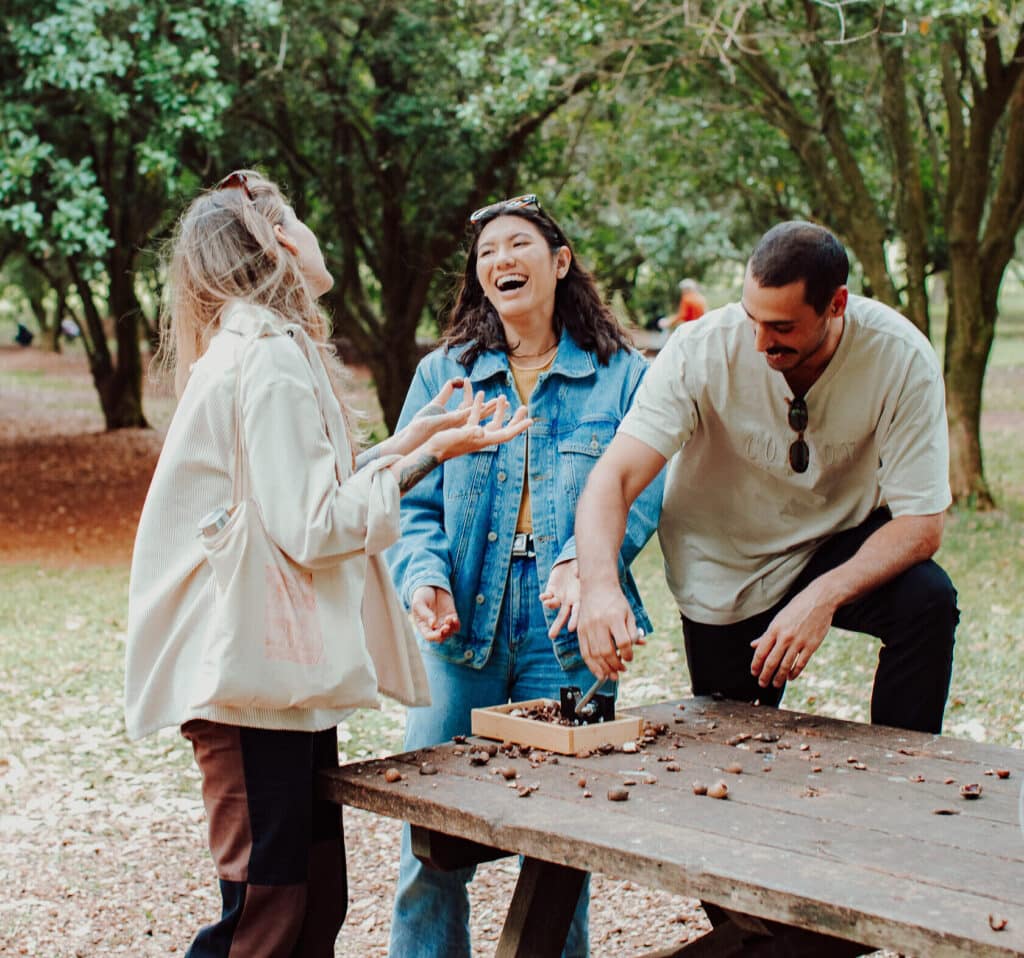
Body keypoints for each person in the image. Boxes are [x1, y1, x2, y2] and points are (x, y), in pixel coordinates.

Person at [124, 170, 531, 958]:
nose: (312, 236)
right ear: (279, 240)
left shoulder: (269, 349)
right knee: (266, 916)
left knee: (311, 906)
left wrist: (415, 445)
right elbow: (315, 526)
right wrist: (423, 458)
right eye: (301, 222)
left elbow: (300, 497)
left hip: (279, 680)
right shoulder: (266, 358)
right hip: (248, 686)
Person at [386, 193, 665, 958]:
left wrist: (585, 565)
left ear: (560, 262)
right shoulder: (447, 375)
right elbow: (410, 500)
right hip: (463, 625)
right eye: (486, 254)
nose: (500, 261)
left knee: (561, 848)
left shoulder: (622, 377)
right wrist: (422, 579)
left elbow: (643, 494)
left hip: (572, 627)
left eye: (517, 245)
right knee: (431, 830)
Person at [574, 220, 958, 736]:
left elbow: (922, 523)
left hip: (832, 537)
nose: (759, 341)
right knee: (733, 743)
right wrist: (598, 585)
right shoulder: (699, 349)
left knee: (926, 600)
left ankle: (902, 765)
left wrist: (822, 596)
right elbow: (613, 480)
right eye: (751, 317)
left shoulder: (900, 357)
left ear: (836, 305)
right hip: (725, 561)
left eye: (781, 327)